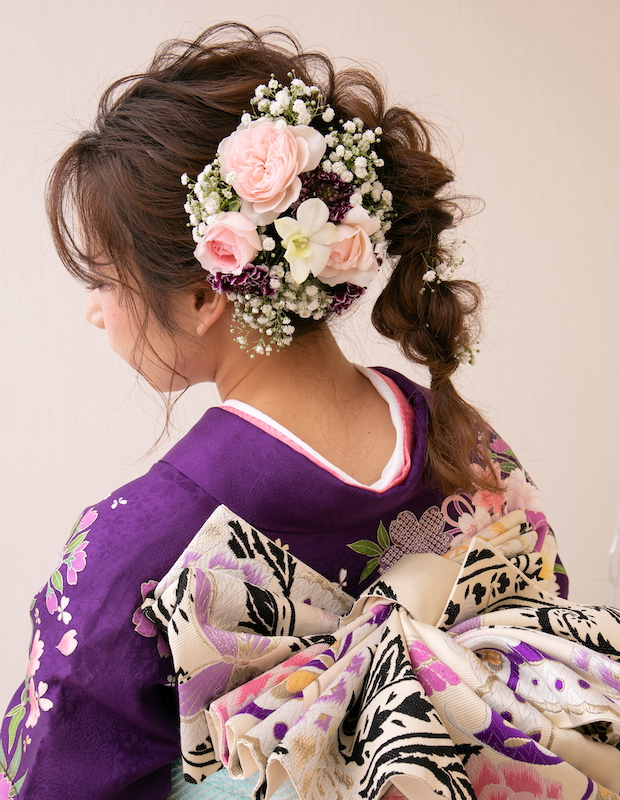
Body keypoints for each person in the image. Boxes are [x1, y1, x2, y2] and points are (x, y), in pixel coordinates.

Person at [0, 21, 574, 800]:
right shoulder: (470, 450)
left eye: (103, 279)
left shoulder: (136, 551)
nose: (95, 311)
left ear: (204, 292)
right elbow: (553, 656)